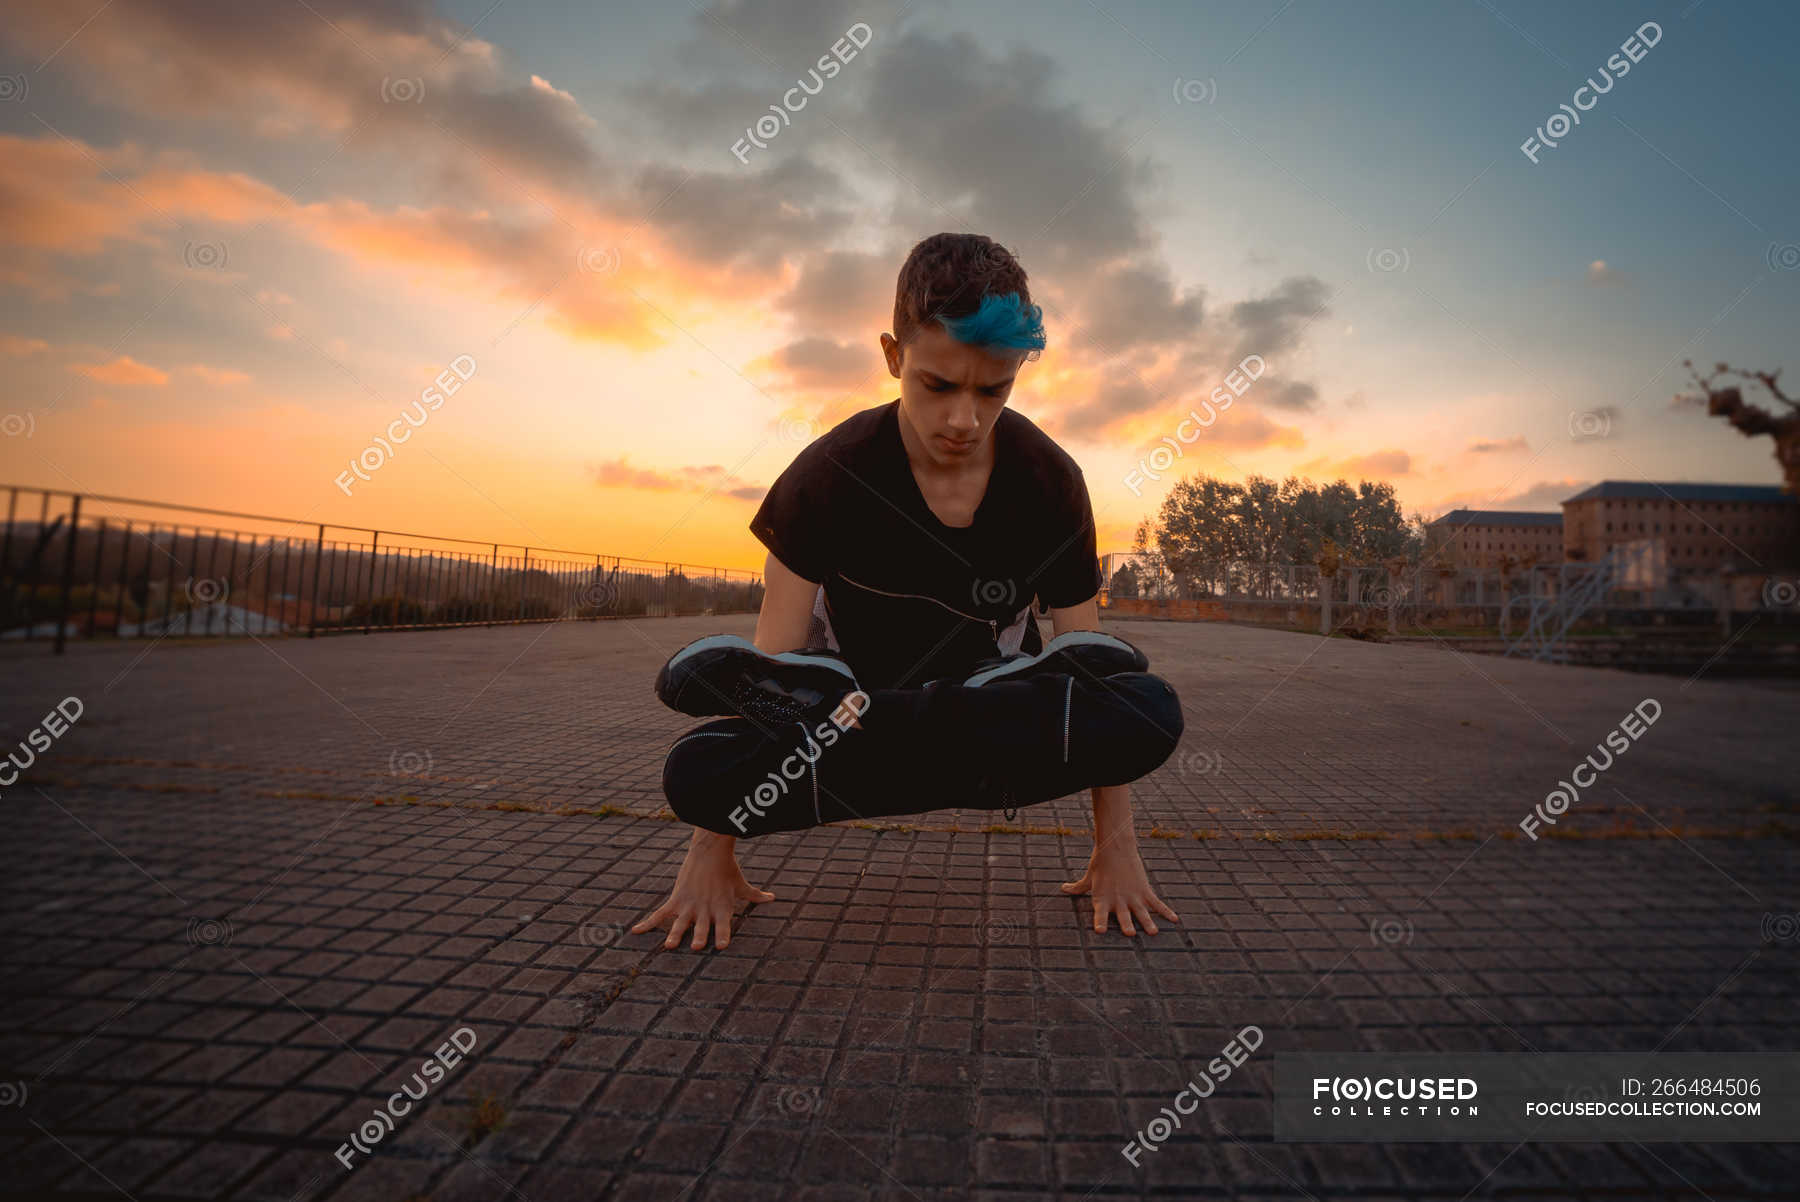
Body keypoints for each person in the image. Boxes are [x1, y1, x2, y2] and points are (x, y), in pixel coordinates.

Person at [632, 232, 1184, 951]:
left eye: (994, 390)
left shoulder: (1050, 483)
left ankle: (979, 705)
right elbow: (768, 681)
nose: (965, 420)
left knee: (1145, 711)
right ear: (894, 357)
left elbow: (1090, 663)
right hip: (852, 724)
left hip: (987, 726)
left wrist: (1116, 852)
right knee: (699, 772)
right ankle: (912, 722)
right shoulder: (827, 476)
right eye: (938, 385)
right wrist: (711, 856)